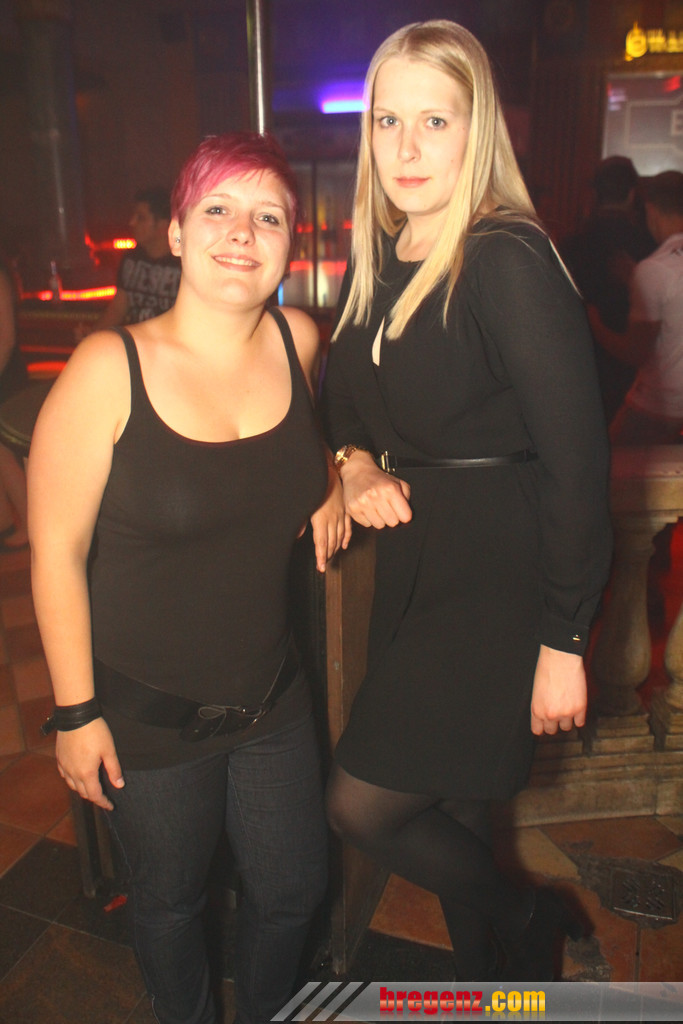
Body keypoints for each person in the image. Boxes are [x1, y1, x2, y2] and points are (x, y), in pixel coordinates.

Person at [29, 132, 349, 1024]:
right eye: (217, 209)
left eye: (268, 217)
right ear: (175, 233)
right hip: (147, 716)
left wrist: (334, 473)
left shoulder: (297, 339)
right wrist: (76, 714)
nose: (242, 232)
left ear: (291, 242)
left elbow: (300, 442)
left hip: (273, 696)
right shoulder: (108, 369)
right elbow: (55, 551)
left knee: (294, 889)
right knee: (170, 902)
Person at [323, 20, 612, 982]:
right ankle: (499, 986)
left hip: (496, 575)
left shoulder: (501, 255)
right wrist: (354, 465)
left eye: (434, 121)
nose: (405, 147)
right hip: (421, 566)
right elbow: (338, 400)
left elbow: (577, 464)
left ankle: (527, 918)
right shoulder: (381, 254)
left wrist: (564, 638)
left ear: (476, 127)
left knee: (362, 804)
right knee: (446, 805)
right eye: (387, 120)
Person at [561, 156, 655, 423]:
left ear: (596, 194)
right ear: (632, 194)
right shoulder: (649, 244)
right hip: (636, 372)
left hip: (581, 366)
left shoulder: (571, 245)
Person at [600, 171, 683, 446]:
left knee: (611, 465)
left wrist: (592, 322)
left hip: (661, 409)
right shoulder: (653, 272)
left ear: (650, 209)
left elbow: (634, 352)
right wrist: (637, 280)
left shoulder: (655, 269)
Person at [91, 186, 182, 330]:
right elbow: (117, 309)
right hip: (137, 339)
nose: (132, 223)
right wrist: (92, 335)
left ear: (162, 225)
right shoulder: (131, 259)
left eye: (141, 218)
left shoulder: (183, 263)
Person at [0, 250, 29, 550]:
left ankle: (30, 526)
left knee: (4, 455)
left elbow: (6, 338)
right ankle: (5, 524)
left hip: (5, 374)